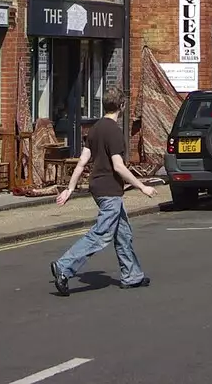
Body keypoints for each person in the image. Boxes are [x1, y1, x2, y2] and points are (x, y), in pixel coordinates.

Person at [50, 88, 155, 295]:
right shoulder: (114, 131)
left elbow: (82, 162)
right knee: (101, 235)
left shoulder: (95, 128)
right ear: (122, 107)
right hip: (109, 189)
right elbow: (118, 166)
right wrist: (142, 187)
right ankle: (64, 266)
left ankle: (132, 275)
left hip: (97, 187)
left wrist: (70, 189)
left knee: (123, 233)